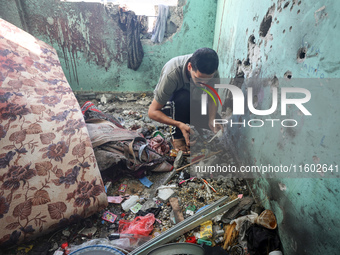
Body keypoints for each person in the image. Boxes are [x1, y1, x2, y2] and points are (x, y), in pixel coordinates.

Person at [148, 47, 222, 154]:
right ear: (189, 67)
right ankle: (177, 135)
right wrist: (179, 125)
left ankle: (188, 126)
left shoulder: (212, 72)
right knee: (184, 97)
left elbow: (212, 98)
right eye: (198, 79)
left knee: (216, 119)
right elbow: (152, 112)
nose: (203, 84)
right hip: (171, 104)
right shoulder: (172, 73)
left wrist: (211, 119)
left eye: (207, 80)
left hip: (192, 102)